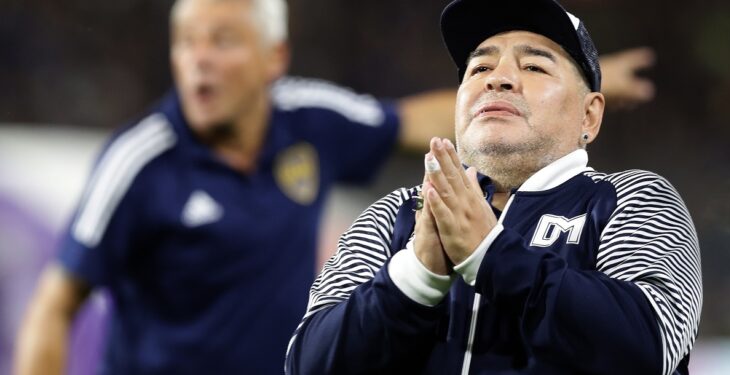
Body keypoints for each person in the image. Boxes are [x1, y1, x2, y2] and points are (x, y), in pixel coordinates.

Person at [12, 0, 459, 374]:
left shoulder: (310, 119)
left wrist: (505, 106)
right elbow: (53, 306)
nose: (199, 58)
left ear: (275, 58)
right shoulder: (140, 160)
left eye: (222, 40)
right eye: (186, 42)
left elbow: (417, 121)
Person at [285, 0, 701, 374]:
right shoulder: (392, 215)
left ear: (589, 116)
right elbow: (308, 364)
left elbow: (650, 350)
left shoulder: (633, 199)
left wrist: (494, 257)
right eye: (480, 68)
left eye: (534, 66)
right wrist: (416, 276)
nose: (497, 79)